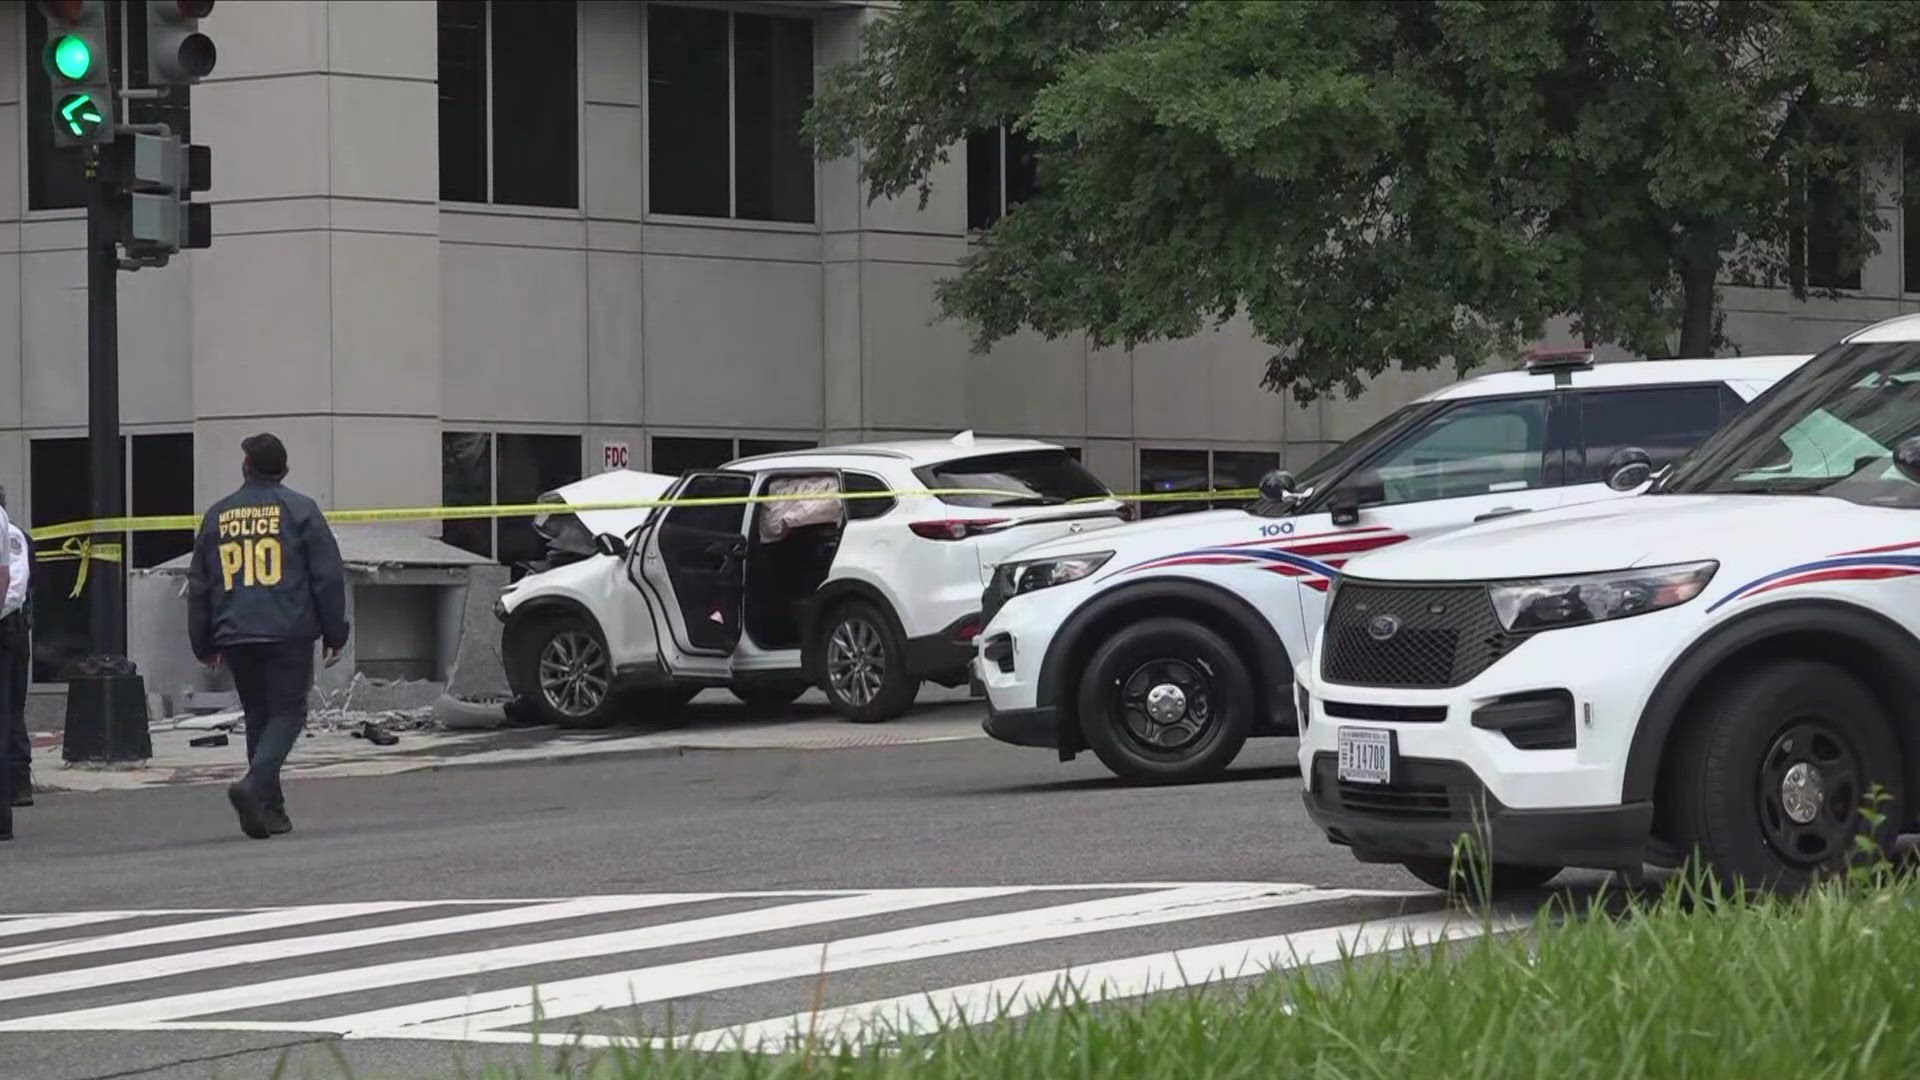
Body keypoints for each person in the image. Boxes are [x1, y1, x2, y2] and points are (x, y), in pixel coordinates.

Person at [186, 434, 349, 840]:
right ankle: (254, 787)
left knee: (260, 716)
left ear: (246, 467)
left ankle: (270, 810)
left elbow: (201, 584)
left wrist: (203, 642)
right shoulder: (301, 510)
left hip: (236, 633)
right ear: (285, 471)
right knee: (289, 714)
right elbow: (327, 577)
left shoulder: (218, 516)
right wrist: (335, 631)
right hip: (287, 630)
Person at [0, 487, 30, 815]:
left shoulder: (11, 535)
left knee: (11, 712)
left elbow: (13, 587)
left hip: (10, 632)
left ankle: (18, 781)